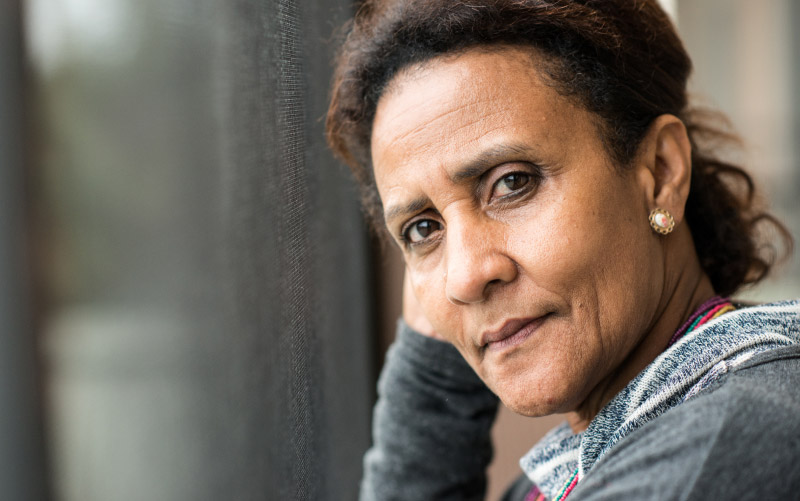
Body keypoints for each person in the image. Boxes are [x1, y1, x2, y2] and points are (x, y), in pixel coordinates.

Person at [326, 1, 800, 499]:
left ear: (661, 174)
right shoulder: (586, 461)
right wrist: (430, 370)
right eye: (423, 230)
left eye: (512, 183)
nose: (463, 276)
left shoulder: (724, 444)